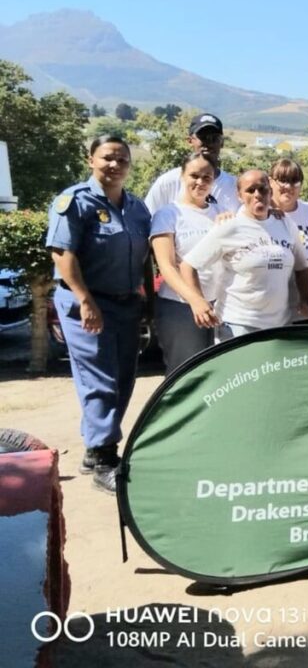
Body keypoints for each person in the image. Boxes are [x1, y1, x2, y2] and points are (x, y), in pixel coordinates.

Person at [46, 135, 153, 494]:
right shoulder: (74, 201)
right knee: (100, 380)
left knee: (123, 379)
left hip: (126, 305)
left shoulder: (137, 208)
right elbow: (62, 253)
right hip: (87, 305)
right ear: (91, 159)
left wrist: (147, 303)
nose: (115, 165)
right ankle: (106, 459)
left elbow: (145, 259)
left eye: (122, 159)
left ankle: (95, 449)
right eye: (108, 158)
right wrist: (85, 299)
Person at [180, 170, 308, 341]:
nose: (257, 195)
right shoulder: (229, 226)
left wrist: (304, 300)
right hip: (238, 324)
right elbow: (188, 265)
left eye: (263, 189)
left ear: (270, 192)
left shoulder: (285, 223)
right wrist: (197, 301)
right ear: (240, 196)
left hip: (279, 325)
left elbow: (302, 267)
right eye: (250, 190)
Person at [149, 151, 222, 372]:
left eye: (207, 177)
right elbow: (167, 266)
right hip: (181, 308)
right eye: (194, 175)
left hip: (218, 307)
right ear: (182, 176)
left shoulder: (220, 213)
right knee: (185, 376)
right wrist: (196, 300)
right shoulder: (168, 214)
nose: (200, 182)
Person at [269, 158, 308, 324]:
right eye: (282, 180)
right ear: (270, 182)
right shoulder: (259, 214)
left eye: (294, 181)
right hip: (272, 310)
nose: (288, 186)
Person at [144, 113, 240, 213]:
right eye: (203, 137)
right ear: (190, 141)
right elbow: (147, 220)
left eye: (214, 138)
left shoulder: (234, 187)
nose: (208, 142)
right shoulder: (168, 183)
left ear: (222, 142)